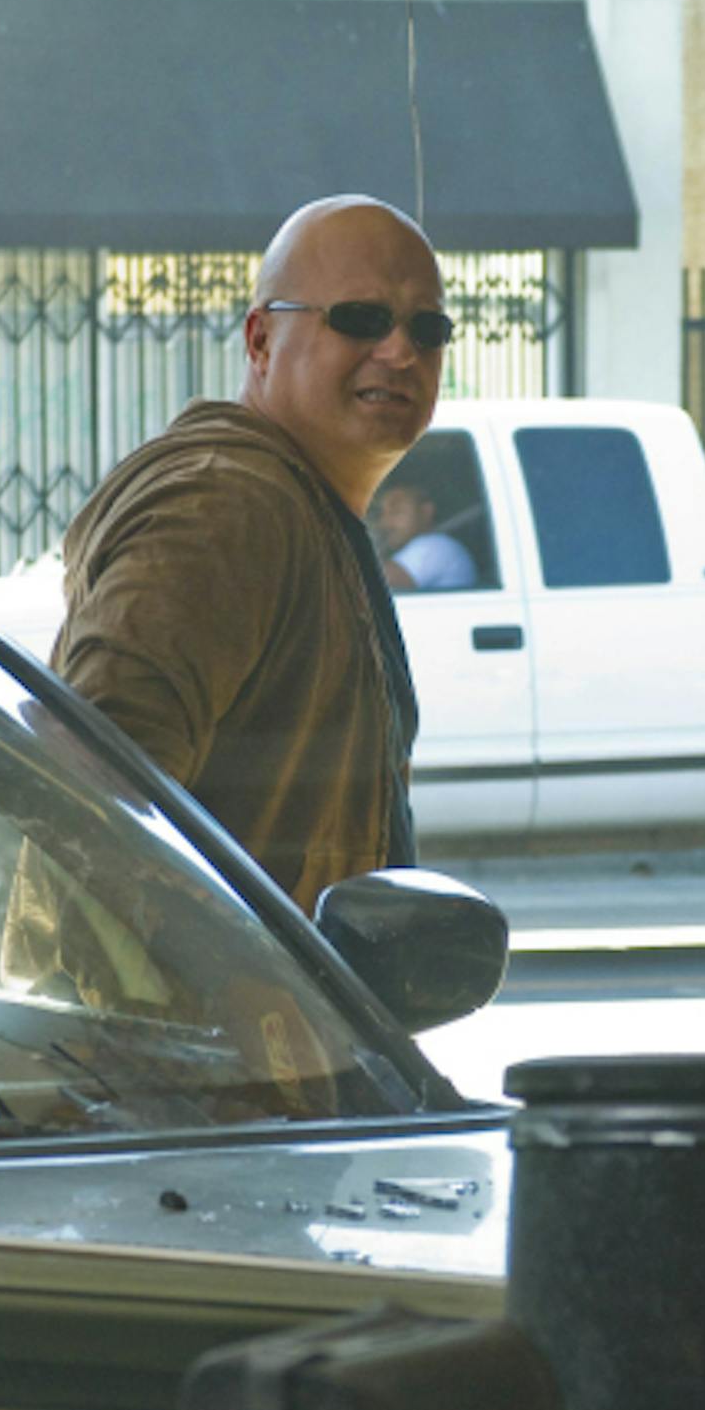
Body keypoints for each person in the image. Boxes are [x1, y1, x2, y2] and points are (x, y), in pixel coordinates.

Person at [49, 195, 450, 914]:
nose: (400, 351)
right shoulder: (224, 507)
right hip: (194, 1026)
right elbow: (92, 811)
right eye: (360, 319)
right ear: (261, 341)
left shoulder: (300, 511)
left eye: (428, 328)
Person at [372, 479, 476, 591]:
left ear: (426, 511)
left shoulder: (437, 546)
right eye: (382, 514)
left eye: (397, 512)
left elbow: (372, 579)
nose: (384, 523)